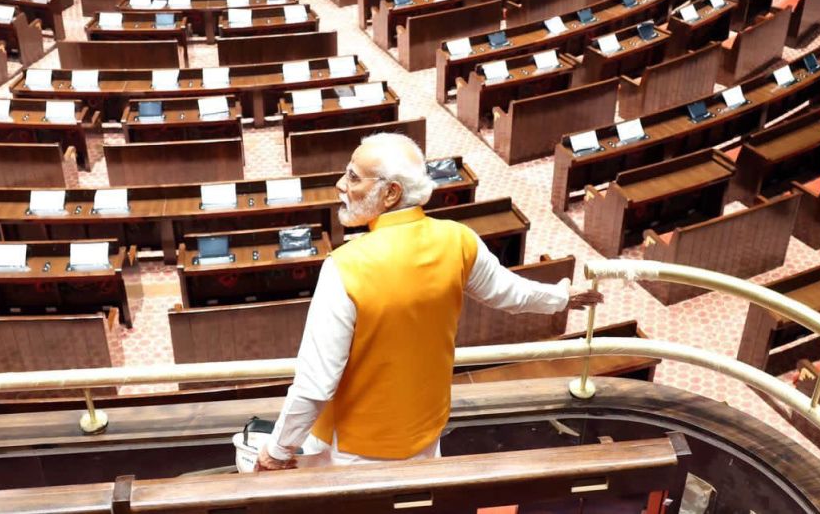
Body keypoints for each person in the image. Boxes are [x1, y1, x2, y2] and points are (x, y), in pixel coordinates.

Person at [256, 133, 603, 471]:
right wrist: (560, 297)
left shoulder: (343, 266)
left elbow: (315, 382)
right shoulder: (457, 239)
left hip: (357, 448)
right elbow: (510, 293)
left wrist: (278, 448)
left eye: (353, 177)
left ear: (390, 193)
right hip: (428, 432)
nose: (340, 185)